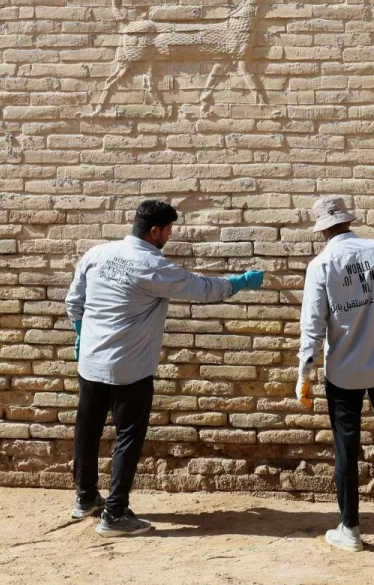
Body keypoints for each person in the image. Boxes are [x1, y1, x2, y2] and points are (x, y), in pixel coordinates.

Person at [66, 198, 263, 537]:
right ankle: (114, 514)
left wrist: (82, 333)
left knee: (87, 430)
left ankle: (85, 498)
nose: (170, 236)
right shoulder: (153, 266)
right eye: (169, 230)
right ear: (155, 231)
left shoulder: (97, 254)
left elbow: (74, 301)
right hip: (130, 368)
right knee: (128, 436)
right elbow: (202, 288)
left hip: (91, 363)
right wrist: (239, 282)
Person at [297, 195, 374, 551]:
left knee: (345, 449)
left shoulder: (320, 266)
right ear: (348, 221)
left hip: (344, 371)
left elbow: (312, 325)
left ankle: (349, 529)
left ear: (322, 229)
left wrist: (304, 374)